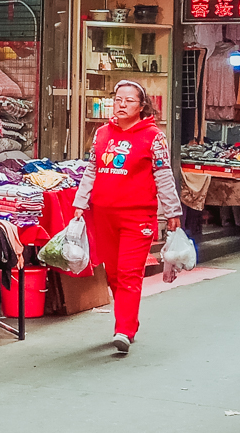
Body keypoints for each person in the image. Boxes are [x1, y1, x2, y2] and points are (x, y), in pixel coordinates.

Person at [73, 81, 182, 356]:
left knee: (130, 272)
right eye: (118, 99)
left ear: (142, 106)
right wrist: (79, 204)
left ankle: (123, 329)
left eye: (129, 101)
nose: (121, 105)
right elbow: (91, 171)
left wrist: (172, 212)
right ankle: (129, 321)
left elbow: (163, 175)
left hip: (138, 217)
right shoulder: (101, 135)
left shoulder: (154, 138)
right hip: (103, 215)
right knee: (113, 273)